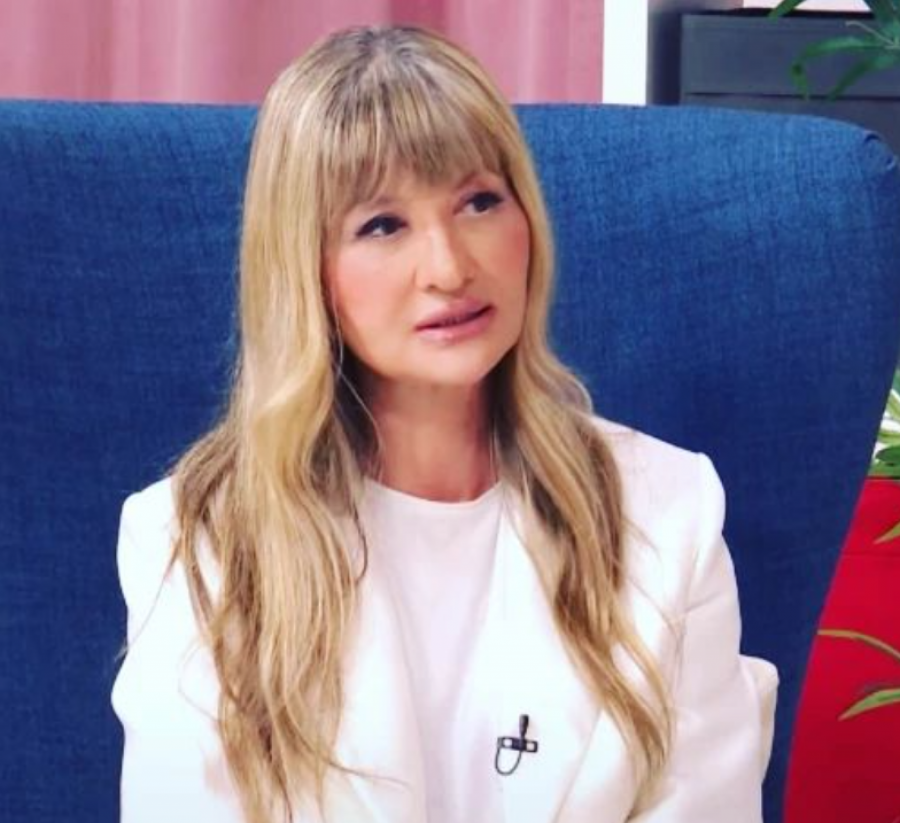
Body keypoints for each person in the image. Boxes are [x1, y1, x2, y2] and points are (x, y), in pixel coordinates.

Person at [111, 24, 778, 823]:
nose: (451, 267)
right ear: (306, 270)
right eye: (382, 225)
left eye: (479, 202)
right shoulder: (198, 540)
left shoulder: (668, 511)